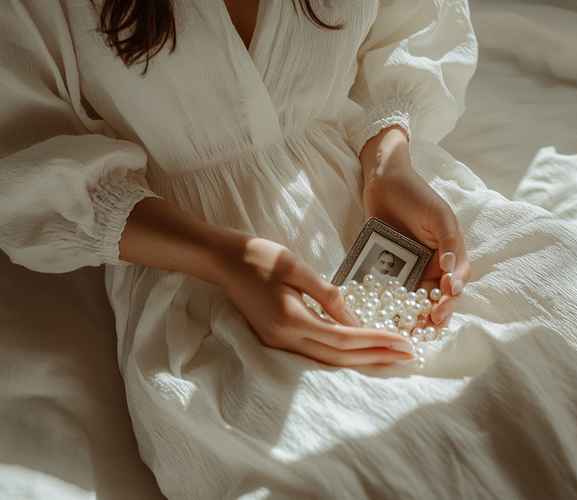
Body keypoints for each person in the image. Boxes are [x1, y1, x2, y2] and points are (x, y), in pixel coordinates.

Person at [0, 0, 477, 496]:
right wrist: (222, 257)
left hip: (378, 199)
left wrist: (388, 163)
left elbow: (410, 22)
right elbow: (20, 150)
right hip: (188, 263)